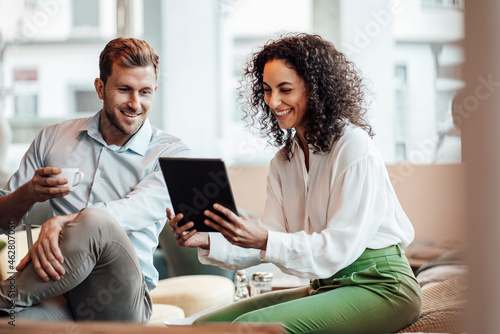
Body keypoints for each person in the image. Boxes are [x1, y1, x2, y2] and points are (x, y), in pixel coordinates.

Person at [168, 33, 422, 333]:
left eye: (285, 89)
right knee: (203, 326)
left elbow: (336, 249)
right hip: (326, 285)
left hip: (382, 285)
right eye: (266, 90)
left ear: (315, 90)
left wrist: (263, 239)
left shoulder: (353, 146)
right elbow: (272, 239)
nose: (273, 102)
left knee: (249, 328)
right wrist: (210, 239)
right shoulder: (283, 161)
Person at [0, 37, 190, 323]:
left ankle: (5, 297)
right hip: (56, 291)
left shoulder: (173, 154)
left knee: (96, 221)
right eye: (124, 90)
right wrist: (29, 192)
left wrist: (62, 221)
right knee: (12, 326)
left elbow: (131, 210)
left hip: (119, 298)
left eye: (145, 92)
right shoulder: (52, 139)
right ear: (100, 88)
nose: (135, 104)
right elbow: (4, 221)